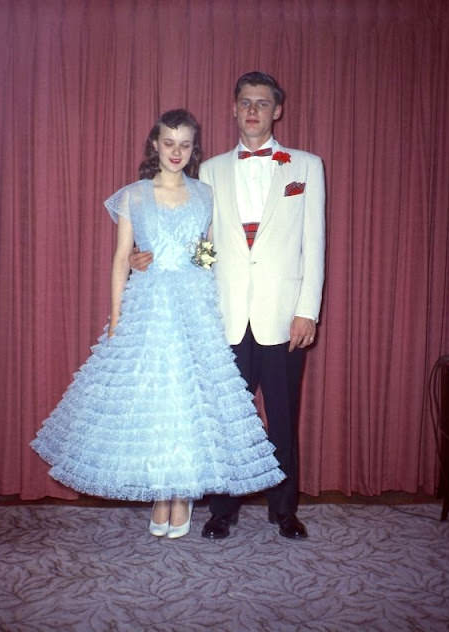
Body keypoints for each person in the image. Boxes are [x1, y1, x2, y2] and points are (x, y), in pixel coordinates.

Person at [31, 109, 285, 539]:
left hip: (193, 309)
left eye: (185, 144)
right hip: (148, 307)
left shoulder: (206, 194)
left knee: (187, 400)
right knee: (153, 401)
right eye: (169, 143)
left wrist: (203, 260)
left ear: (193, 149)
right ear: (155, 144)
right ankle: (160, 492)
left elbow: (211, 250)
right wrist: (116, 318)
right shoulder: (132, 195)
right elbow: (119, 260)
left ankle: (181, 494)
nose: (176, 152)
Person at [132, 72, 325, 540]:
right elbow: (207, 245)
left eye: (262, 103)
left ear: (277, 110)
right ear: (234, 110)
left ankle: (284, 511)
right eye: (245, 103)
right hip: (223, 317)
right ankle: (222, 511)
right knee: (223, 420)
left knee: (282, 419)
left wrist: (308, 310)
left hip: (283, 319)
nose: (253, 111)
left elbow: (314, 245)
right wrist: (155, 259)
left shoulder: (306, 165)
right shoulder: (212, 170)